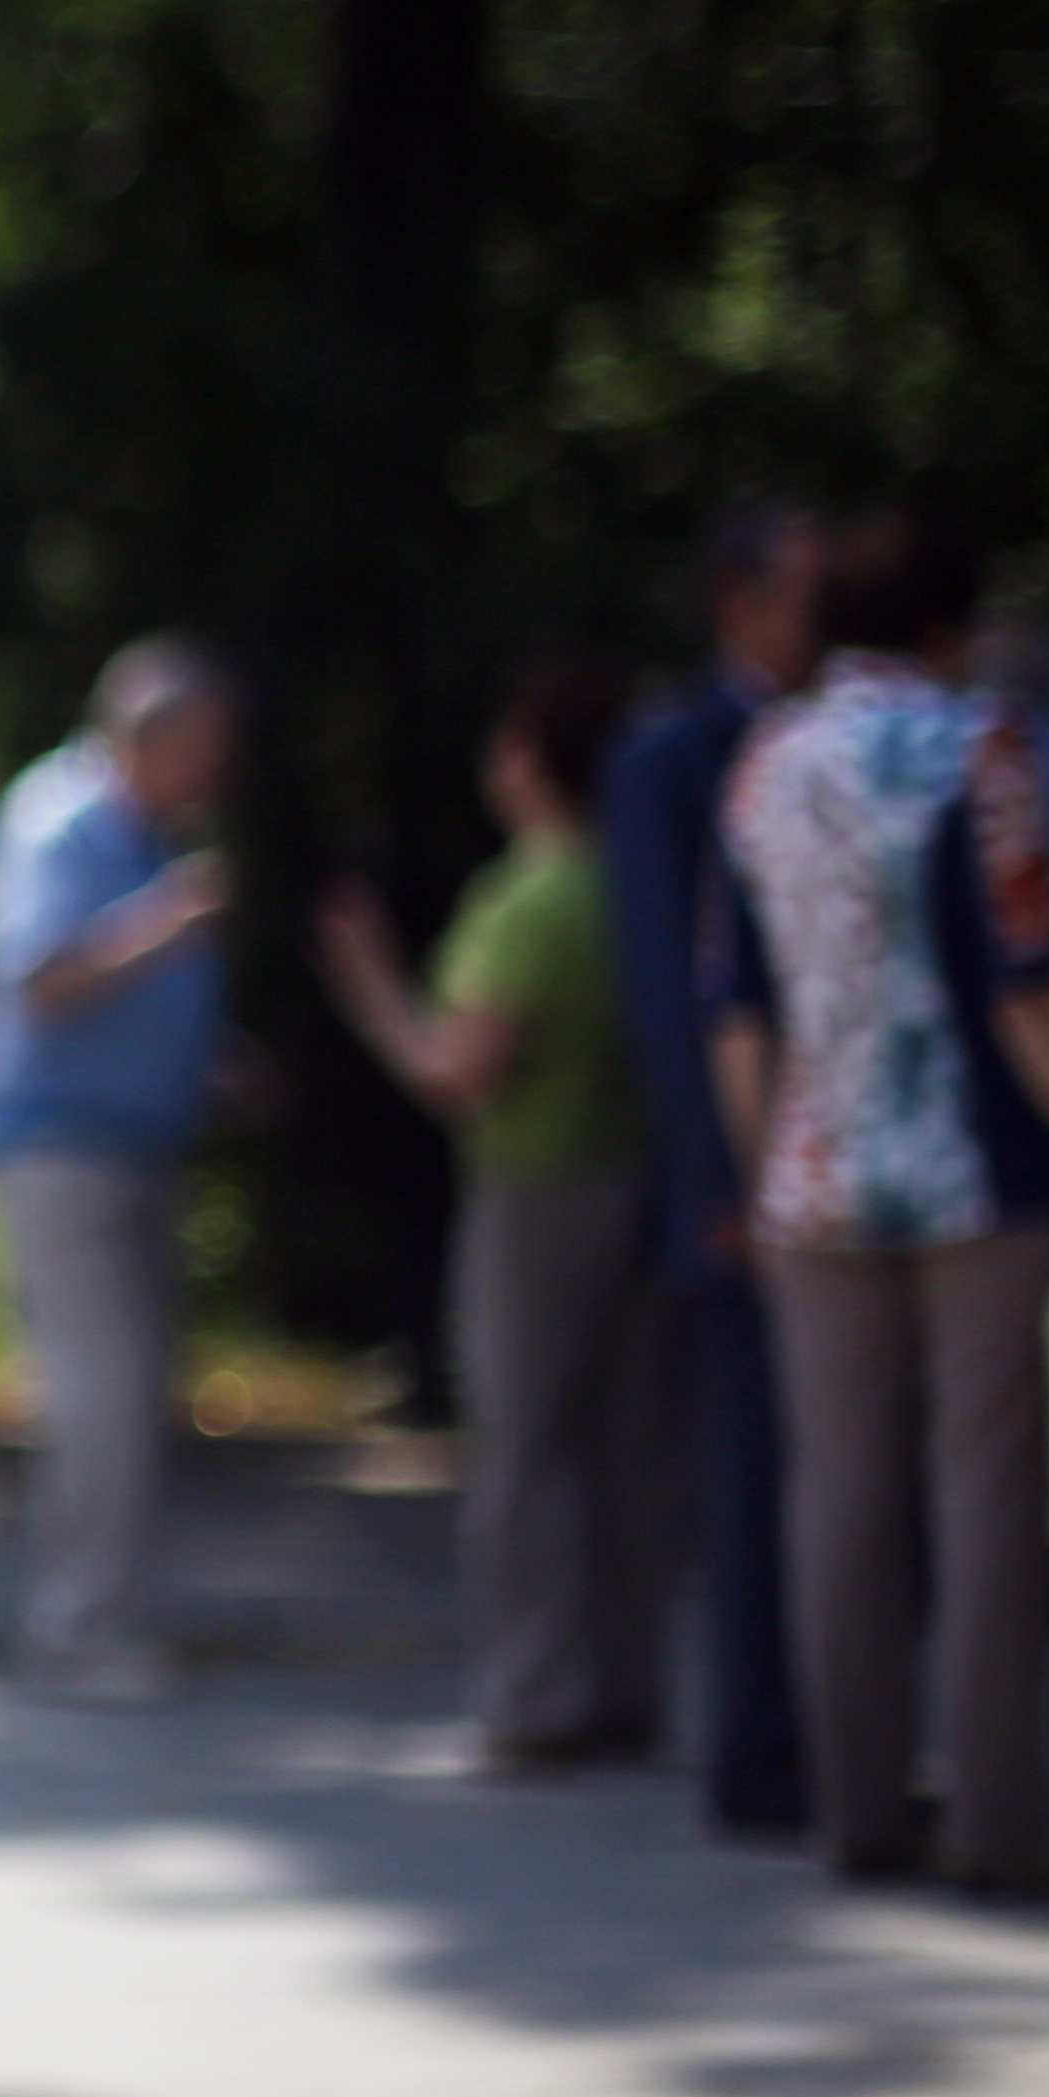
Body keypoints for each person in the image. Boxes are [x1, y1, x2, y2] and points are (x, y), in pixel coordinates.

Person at [713, 519, 1049, 1895]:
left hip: (816, 1180)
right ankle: (999, 1829)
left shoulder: (766, 761)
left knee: (837, 1501)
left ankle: (860, 1817)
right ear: (952, 630)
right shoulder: (983, 750)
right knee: (988, 1502)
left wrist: (765, 1172)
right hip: (986, 1182)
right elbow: (1028, 988)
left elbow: (737, 1016)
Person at [318, 656, 670, 1769]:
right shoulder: (641, 880)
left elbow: (457, 1070)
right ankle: (626, 1686)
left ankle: (533, 1696)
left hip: (534, 1188)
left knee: (523, 1448)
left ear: (526, 761)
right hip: (637, 1178)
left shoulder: (529, 898)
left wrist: (374, 989)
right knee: (623, 1445)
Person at [0, 639, 241, 1706]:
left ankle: (103, 1609)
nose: (217, 771)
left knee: (124, 1391)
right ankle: (78, 1626)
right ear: (153, 736)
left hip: (128, 1143)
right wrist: (169, 927)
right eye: (207, 746)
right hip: (60, 1149)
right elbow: (42, 977)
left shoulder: (139, 832)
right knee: (101, 1393)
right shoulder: (60, 821)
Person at [599, 503, 823, 1837]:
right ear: (735, 604)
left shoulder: (837, 736)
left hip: (856, 1173)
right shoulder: (670, 759)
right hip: (746, 1179)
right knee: (750, 1474)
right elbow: (666, 991)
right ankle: (757, 1757)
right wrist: (722, 1182)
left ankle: (832, 1744)